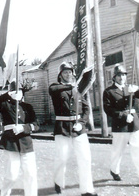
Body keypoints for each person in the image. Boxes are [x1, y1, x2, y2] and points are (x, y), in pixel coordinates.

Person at [49, 62, 97, 196]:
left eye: (69, 72)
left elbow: (86, 109)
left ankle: (87, 189)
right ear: (60, 75)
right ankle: (58, 181)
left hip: (78, 128)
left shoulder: (78, 89)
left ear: (73, 74)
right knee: (62, 157)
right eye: (65, 72)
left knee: (85, 158)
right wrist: (70, 86)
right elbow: (52, 90)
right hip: (62, 127)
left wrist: (82, 122)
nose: (68, 74)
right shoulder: (55, 88)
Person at [103, 64, 139, 187]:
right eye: (118, 75)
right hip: (120, 125)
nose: (121, 77)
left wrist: (137, 89)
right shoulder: (109, 91)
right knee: (117, 151)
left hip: (134, 124)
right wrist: (124, 116)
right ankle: (114, 170)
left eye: (123, 75)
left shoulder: (130, 88)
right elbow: (108, 109)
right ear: (114, 77)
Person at [0, 80, 39, 196]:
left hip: (26, 143)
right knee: (11, 175)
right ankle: (5, 194)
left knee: (30, 174)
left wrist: (24, 128)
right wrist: (8, 94)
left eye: (20, 91)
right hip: (11, 143)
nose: (18, 93)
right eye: (15, 91)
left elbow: (36, 124)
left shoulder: (27, 107)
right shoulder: (5, 105)